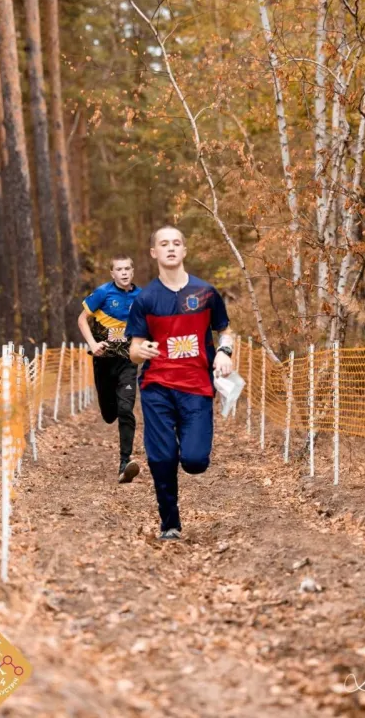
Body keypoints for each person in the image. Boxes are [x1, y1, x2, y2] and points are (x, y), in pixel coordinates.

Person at [126, 226, 234, 540]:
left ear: (184, 251)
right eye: (163, 244)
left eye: (176, 243)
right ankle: (170, 524)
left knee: (195, 461)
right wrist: (139, 350)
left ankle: (189, 461)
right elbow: (134, 349)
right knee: (162, 458)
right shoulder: (145, 299)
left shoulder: (206, 293)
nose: (171, 248)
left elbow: (224, 330)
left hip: (197, 387)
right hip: (157, 386)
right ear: (154, 253)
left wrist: (225, 352)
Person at [78, 255, 142, 484]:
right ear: (112, 274)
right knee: (109, 413)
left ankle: (125, 462)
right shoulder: (103, 293)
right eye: (119, 269)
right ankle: (110, 408)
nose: (124, 273)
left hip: (127, 360)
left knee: (126, 408)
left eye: (127, 268)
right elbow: (82, 319)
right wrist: (93, 345)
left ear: (132, 271)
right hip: (104, 360)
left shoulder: (141, 296)